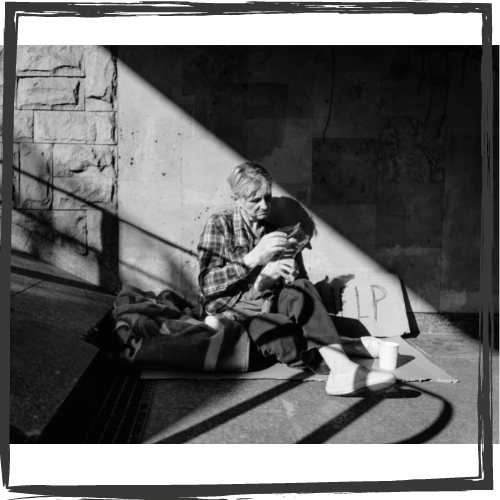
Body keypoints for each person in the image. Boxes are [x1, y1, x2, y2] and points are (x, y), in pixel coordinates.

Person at [197, 161, 396, 396]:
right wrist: (253, 258)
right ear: (236, 199)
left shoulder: (274, 231)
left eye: (268, 197)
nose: (264, 206)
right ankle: (349, 349)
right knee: (284, 335)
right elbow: (207, 285)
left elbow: (294, 294)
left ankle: (342, 371)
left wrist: (289, 276)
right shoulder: (220, 225)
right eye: (254, 200)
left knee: (301, 287)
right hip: (235, 315)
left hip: (268, 306)